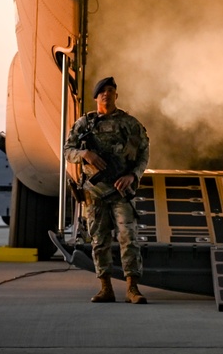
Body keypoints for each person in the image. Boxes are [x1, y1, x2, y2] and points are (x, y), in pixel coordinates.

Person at [64, 76, 150, 304]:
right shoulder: (84, 124)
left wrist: (133, 175)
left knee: (128, 238)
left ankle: (132, 288)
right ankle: (105, 288)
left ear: (116, 95)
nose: (107, 94)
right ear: (96, 97)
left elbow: (143, 153)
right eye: (102, 91)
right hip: (95, 192)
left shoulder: (129, 123)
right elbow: (68, 150)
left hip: (121, 191)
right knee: (99, 241)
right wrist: (85, 154)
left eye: (111, 90)